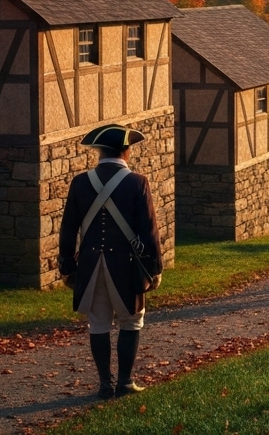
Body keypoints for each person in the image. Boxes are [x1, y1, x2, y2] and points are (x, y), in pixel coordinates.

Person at [58, 124, 163, 398]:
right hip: (126, 266)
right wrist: (155, 268)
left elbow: (68, 228)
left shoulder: (80, 182)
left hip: (91, 265)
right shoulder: (138, 182)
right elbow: (149, 229)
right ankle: (125, 382)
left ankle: (105, 384)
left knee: (99, 323)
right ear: (126, 151)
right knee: (131, 321)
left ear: (100, 152)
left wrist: (67, 265)